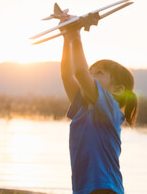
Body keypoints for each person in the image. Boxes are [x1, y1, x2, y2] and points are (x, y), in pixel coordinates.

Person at [60, 16, 138, 194]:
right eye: (91, 72)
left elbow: (80, 72)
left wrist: (76, 37)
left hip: (105, 188)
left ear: (118, 89)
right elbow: (67, 74)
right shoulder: (82, 107)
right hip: (85, 188)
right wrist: (66, 39)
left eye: (99, 73)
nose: (90, 76)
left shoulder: (110, 107)